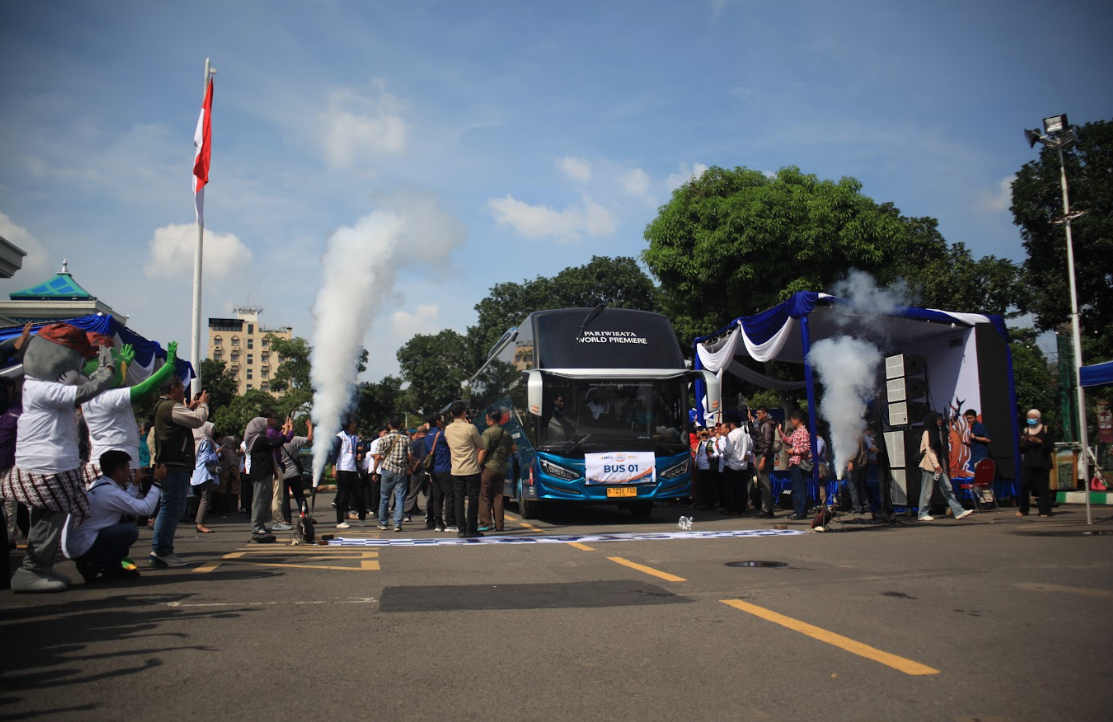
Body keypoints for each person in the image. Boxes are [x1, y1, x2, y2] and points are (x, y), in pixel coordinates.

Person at [63, 451, 165, 582]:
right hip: (82, 546)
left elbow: (126, 502)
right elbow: (146, 508)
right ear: (118, 471)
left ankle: (114, 566)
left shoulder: (101, 485)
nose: (130, 472)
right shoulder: (109, 492)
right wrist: (157, 482)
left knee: (122, 520)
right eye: (128, 468)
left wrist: (134, 484)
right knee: (129, 531)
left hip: (77, 544)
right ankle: (95, 564)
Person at [150, 375, 209, 567]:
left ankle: (161, 549)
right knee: (171, 508)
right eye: (181, 387)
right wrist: (203, 405)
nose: (183, 392)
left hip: (172, 464)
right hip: (175, 464)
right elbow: (198, 420)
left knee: (171, 507)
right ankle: (161, 551)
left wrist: (190, 407)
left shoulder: (163, 406)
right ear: (173, 387)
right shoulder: (170, 406)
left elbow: (181, 422)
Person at [243, 410, 294, 539]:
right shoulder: (258, 440)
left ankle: (261, 526)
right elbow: (276, 443)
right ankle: (257, 527)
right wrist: (286, 431)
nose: (266, 426)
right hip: (260, 473)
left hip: (265, 472)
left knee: (265, 500)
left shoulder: (259, 439)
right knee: (259, 500)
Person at [917, 411, 974, 522]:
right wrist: (936, 465)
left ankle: (958, 511)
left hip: (937, 465)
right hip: (930, 465)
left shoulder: (937, 431)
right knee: (927, 490)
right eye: (938, 419)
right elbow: (929, 450)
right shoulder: (927, 432)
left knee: (947, 487)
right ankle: (922, 513)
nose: (940, 421)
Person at [444, 400, 486, 538]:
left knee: (458, 499)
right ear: (464, 413)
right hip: (471, 468)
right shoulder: (470, 428)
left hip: (455, 469)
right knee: (473, 499)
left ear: (451, 413)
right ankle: (471, 529)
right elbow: (482, 444)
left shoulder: (447, 429)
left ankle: (461, 529)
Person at [478, 409, 515, 533]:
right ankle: (499, 525)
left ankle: (486, 523)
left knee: (485, 495)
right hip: (501, 468)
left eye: (487, 419)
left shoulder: (488, 433)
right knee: (498, 496)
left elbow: (483, 450)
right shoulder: (506, 433)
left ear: (491, 420)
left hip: (489, 467)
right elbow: (513, 448)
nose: (487, 421)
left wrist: (478, 465)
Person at [376, 416, 413, 532]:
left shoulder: (383, 439)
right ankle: (397, 524)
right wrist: (408, 465)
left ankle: (383, 522)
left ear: (389, 425)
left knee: (384, 497)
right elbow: (410, 455)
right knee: (400, 498)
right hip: (401, 471)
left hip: (387, 470)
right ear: (400, 425)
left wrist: (373, 471)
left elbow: (377, 456)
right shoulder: (406, 439)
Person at [1018, 408, 1054, 517]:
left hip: (1042, 462)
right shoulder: (1026, 430)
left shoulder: (1045, 429)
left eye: (1034, 418)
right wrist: (1023, 442)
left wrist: (1040, 442)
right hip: (1029, 462)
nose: (1031, 420)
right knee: (1024, 485)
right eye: (1030, 417)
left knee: (1043, 487)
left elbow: (1050, 447)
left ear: (1039, 418)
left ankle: (1044, 511)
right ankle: (1023, 509)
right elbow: (1022, 449)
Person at [328, 416, 362, 529]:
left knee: (355, 493)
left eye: (355, 423)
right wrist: (334, 466)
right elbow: (335, 452)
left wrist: (359, 456)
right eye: (353, 423)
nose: (355, 425)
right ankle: (340, 520)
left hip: (353, 468)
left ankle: (354, 514)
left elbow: (356, 451)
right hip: (343, 468)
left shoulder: (356, 438)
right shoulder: (340, 437)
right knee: (342, 495)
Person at [424, 413, 455, 533]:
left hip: (433, 470)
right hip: (445, 468)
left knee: (437, 497)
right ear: (437, 422)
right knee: (449, 496)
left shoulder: (427, 436)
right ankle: (450, 522)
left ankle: (438, 523)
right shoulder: (442, 434)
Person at [280, 417, 313, 522]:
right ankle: (305, 515)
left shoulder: (277, 441)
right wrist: (309, 426)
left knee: (284, 497)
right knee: (299, 495)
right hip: (294, 472)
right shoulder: (295, 440)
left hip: (282, 472)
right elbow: (309, 438)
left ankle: (287, 519)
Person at [780, 411, 811, 520]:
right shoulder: (796, 432)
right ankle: (798, 510)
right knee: (796, 487)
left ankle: (801, 511)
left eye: (792, 420)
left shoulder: (803, 432)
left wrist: (794, 451)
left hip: (799, 462)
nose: (792, 423)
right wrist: (780, 432)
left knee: (799, 488)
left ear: (797, 420)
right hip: (793, 462)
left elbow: (806, 448)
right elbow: (789, 441)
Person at [191, 422, 220, 533]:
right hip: (206, 473)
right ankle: (200, 523)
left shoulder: (198, 440)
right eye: (212, 429)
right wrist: (215, 453)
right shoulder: (207, 441)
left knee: (203, 498)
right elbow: (206, 458)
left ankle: (200, 522)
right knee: (205, 498)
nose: (213, 431)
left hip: (198, 472)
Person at [720, 412, 752, 515]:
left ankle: (731, 508)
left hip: (732, 464)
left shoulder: (732, 435)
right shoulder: (746, 434)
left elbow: (728, 451)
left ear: (732, 425)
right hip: (743, 464)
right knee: (741, 488)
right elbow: (750, 446)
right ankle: (741, 508)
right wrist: (747, 453)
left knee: (730, 488)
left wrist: (724, 454)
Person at [752, 407, 777, 518]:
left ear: (765, 414)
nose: (758, 415)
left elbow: (767, 443)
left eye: (759, 413)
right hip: (759, 454)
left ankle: (767, 508)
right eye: (756, 413)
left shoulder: (767, 425)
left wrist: (763, 459)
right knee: (762, 483)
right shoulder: (762, 425)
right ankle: (765, 507)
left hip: (764, 455)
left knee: (764, 482)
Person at [845, 431, 871, 514]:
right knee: (862, 485)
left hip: (856, 464)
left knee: (853, 486)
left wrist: (850, 461)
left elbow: (854, 448)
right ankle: (866, 507)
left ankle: (857, 508)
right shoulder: (860, 434)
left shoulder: (854, 434)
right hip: (861, 463)